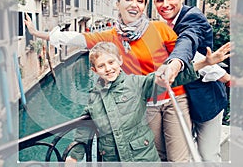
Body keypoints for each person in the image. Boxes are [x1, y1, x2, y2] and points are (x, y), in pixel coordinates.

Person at [24, 0, 229, 162]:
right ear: (118, 3)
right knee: (158, 155)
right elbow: (75, 39)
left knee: (179, 158)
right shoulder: (110, 35)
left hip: (175, 97)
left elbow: (185, 54)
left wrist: (225, 76)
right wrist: (37, 33)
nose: (134, 4)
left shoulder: (159, 28)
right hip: (147, 102)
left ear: (144, 6)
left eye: (140, 0)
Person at [64, 41, 228, 162]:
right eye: (101, 66)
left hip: (142, 158)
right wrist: (74, 157)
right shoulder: (94, 97)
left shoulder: (136, 83)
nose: (108, 68)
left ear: (120, 61)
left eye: (111, 62)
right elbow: (84, 129)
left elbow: (171, 78)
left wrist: (205, 63)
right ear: (94, 70)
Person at [153, 0, 230, 162]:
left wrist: (175, 63)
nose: (165, 4)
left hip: (205, 101)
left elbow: (187, 41)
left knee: (208, 156)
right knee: (183, 156)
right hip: (179, 101)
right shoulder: (161, 26)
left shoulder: (192, 17)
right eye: (160, 0)